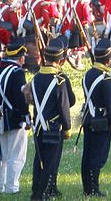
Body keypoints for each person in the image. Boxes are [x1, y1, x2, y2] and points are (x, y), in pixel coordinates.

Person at [27, 37, 75, 201]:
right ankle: (44, 192)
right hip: (54, 126)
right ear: (60, 60)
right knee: (50, 161)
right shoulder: (59, 80)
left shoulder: (35, 79)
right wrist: (67, 127)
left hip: (39, 126)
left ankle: (36, 191)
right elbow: (64, 107)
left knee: (38, 159)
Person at [0, 37, 31, 194]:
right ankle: (12, 187)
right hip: (14, 119)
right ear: (20, 57)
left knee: (1, 156)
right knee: (16, 155)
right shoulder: (17, 73)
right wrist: (26, 117)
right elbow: (21, 98)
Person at [80, 38, 111, 197]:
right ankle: (94, 189)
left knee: (87, 154)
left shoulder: (88, 74)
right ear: (108, 60)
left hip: (88, 119)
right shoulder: (106, 79)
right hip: (101, 122)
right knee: (97, 156)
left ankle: (87, 188)